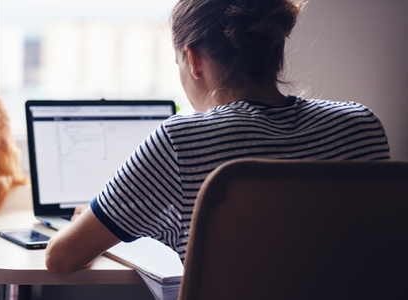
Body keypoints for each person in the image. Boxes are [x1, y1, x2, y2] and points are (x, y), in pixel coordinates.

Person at [45, 0, 391, 274]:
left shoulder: (180, 141)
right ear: (276, 50)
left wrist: (99, 224)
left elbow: (61, 258)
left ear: (193, 60)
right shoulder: (361, 125)